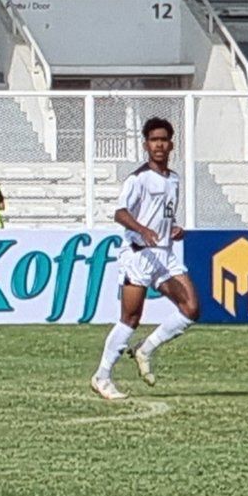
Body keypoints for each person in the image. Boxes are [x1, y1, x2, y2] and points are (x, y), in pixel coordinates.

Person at [92, 117, 201, 401]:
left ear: (171, 144)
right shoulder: (138, 178)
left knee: (191, 309)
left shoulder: (173, 179)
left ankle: (145, 349)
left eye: (163, 140)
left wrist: (174, 229)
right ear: (145, 145)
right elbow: (120, 213)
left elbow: (164, 214)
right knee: (130, 318)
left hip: (164, 254)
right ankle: (102, 377)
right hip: (138, 255)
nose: (159, 145)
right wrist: (142, 230)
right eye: (154, 140)